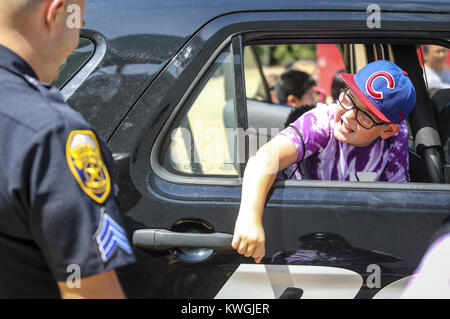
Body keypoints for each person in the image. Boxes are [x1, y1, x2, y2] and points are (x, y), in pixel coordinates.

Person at [0, 0, 135, 298]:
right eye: (80, 24)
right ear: (55, 14)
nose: (75, 42)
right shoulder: (54, 134)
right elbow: (87, 292)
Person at [232, 60, 417, 263]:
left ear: (388, 130)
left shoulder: (394, 139)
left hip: (355, 237)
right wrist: (250, 218)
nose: (348, 116)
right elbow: (265, 158)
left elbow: (396, 203)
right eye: (349, 98)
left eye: (366, 115)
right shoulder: (322, 122)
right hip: (303, 231)